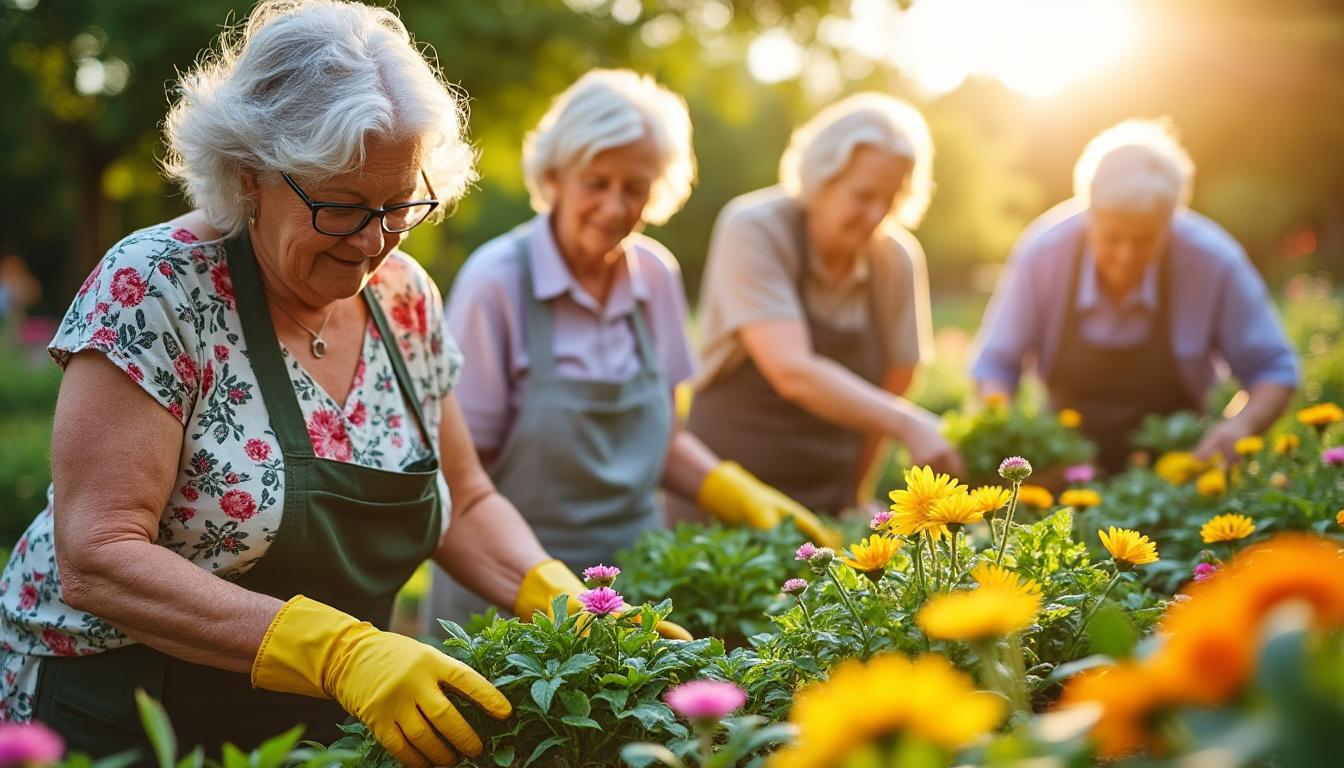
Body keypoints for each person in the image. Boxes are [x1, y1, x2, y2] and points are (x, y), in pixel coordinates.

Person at [0, 3, 672, 763]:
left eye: (398, 208)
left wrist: (563, 601)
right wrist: (340, 654)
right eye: (342, 206)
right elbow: (99, 555)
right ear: (250, 174)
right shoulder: (157, 287)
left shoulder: (404, 297)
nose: (371, 243)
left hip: (309, 721)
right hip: (120, 708)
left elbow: (465, 496)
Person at [427, 69, 836, 627]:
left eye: (635, 187)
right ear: (555, 176)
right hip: (509, 595)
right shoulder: (497, 282)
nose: (616, 206)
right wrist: (543, 592)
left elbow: (662, 441)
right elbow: (461, 478)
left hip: (633, 584)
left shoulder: (656, 276)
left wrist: (738, 493)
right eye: (597, 182)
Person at [683, 93, 963, 519]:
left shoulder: (895, 259)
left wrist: (852, 496)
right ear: (820, 179)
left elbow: (895, 383)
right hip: (726, 495)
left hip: (824, 500)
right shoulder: (755, 229)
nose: (875, 214)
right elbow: (791, 370)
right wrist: (911, 424)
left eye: (888, 199)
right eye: (862, 195)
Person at [971, 119, 1299, 472]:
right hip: (1063, 467)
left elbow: (1273, 367)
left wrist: (1239, 426)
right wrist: (1012, 437)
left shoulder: (1214, 262)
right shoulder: (1043, 254)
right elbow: (995, 365)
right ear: (1089, 214)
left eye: (1144, 239)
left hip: (1180, 469)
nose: (1126, 256)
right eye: (1113, 237)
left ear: (1171, 219)